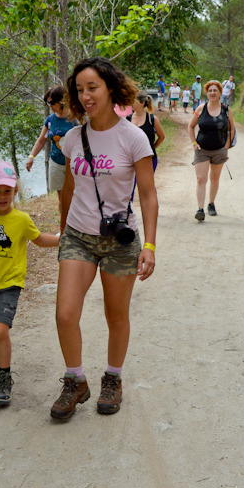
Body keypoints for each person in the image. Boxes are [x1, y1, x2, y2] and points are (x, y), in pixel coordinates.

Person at [50, 57, 158, 420]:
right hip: (79, 237)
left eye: (91, 87)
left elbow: (147, 194)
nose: (85, 96)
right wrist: (63, 231)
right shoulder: (72, 138)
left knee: (117, 316)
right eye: (79, 90)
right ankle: (75, 380)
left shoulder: (133, 138)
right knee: (65, 314)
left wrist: (151, 246)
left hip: (119, 240)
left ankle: (113, 378)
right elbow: (67, 188)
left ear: (110, 87)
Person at [0, 161, 60, 407]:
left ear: (16, 191)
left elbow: (40, 240)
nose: (2, 196)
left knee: (0, 330)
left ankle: (5, 379)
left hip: (10, 284)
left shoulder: (22, 219)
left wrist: (61, 239)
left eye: (7, 191)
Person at [26, 86, 78, 218]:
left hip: (73, 164)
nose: (50, 105)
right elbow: (41, 141)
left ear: (62, 101)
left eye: (52, 103)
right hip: (56, 162)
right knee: (62, 198)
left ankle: (77, 224)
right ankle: (64, 227)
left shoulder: (75, 118)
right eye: (48, 103)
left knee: (75, 195)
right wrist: (31, 156)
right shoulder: (50, 120)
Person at [188, 80, 236, 221]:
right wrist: (194, 143)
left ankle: (211, 204)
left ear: (220, 93)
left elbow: (231, 128)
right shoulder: (200, 109)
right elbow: (191, 127)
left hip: (219, 150)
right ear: (207, 93)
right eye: (210, 91)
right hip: (202, 149)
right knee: (201, 179)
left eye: (215, 90)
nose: (212, 93)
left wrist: (226, 147)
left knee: (214, 178)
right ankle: (200, 209)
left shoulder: (226, 110)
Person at [126, 91, 165, 199]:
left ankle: (152, 210)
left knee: (147, 186)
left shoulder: (152, 119)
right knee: (129, 186)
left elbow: (161, 136)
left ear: (142, 103)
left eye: (133, 101)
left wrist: (152, 148)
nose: (131, 104)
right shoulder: (128, 119)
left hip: (149, 159)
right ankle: (128, 212)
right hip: (131, 159)